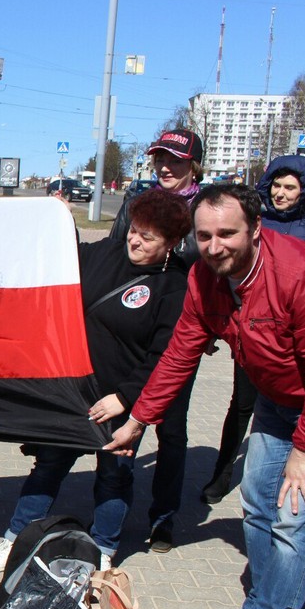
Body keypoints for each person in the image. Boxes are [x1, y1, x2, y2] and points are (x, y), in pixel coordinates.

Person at [106, 184, 305, 609]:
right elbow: (180, 353)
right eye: (205, 236)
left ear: (256, 229)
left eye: (227, 233)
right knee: (258, 504)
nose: (215, 245)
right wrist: (139, 419)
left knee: (294, 519)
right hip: (275, 400)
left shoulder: (302, 275)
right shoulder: (206, 277)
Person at [0, 189, 192, 573]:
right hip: (73, 391)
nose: (135, 240)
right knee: (48, 466)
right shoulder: (106, 254)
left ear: (171, 244)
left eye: (148, 237)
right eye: (134, 229)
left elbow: (163, 358)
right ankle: (15, 540)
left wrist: (125, 399)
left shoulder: (174, 287)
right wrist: (59, 219)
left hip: (117, 401)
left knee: (114, 474)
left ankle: (104, 548)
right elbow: (60, 261)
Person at [201, 155, 305, 505]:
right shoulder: (257, 222)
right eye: (276, 185)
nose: (282, 193)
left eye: (291, 187)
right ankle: (223, 474)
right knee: (241, 408)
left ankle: (303, 471)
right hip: (252, 334)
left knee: (301, 416)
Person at [104, 129, 205, 552]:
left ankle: (163, 517)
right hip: (134, 332)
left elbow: (219, 273)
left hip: (180, 335)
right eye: (160, 159)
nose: (166, 167)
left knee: (171, 429)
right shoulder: (136, 204)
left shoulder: (207, 210)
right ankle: (110, 517)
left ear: (193, 165)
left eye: (176, 161)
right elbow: (112, 256)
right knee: (128, 426)